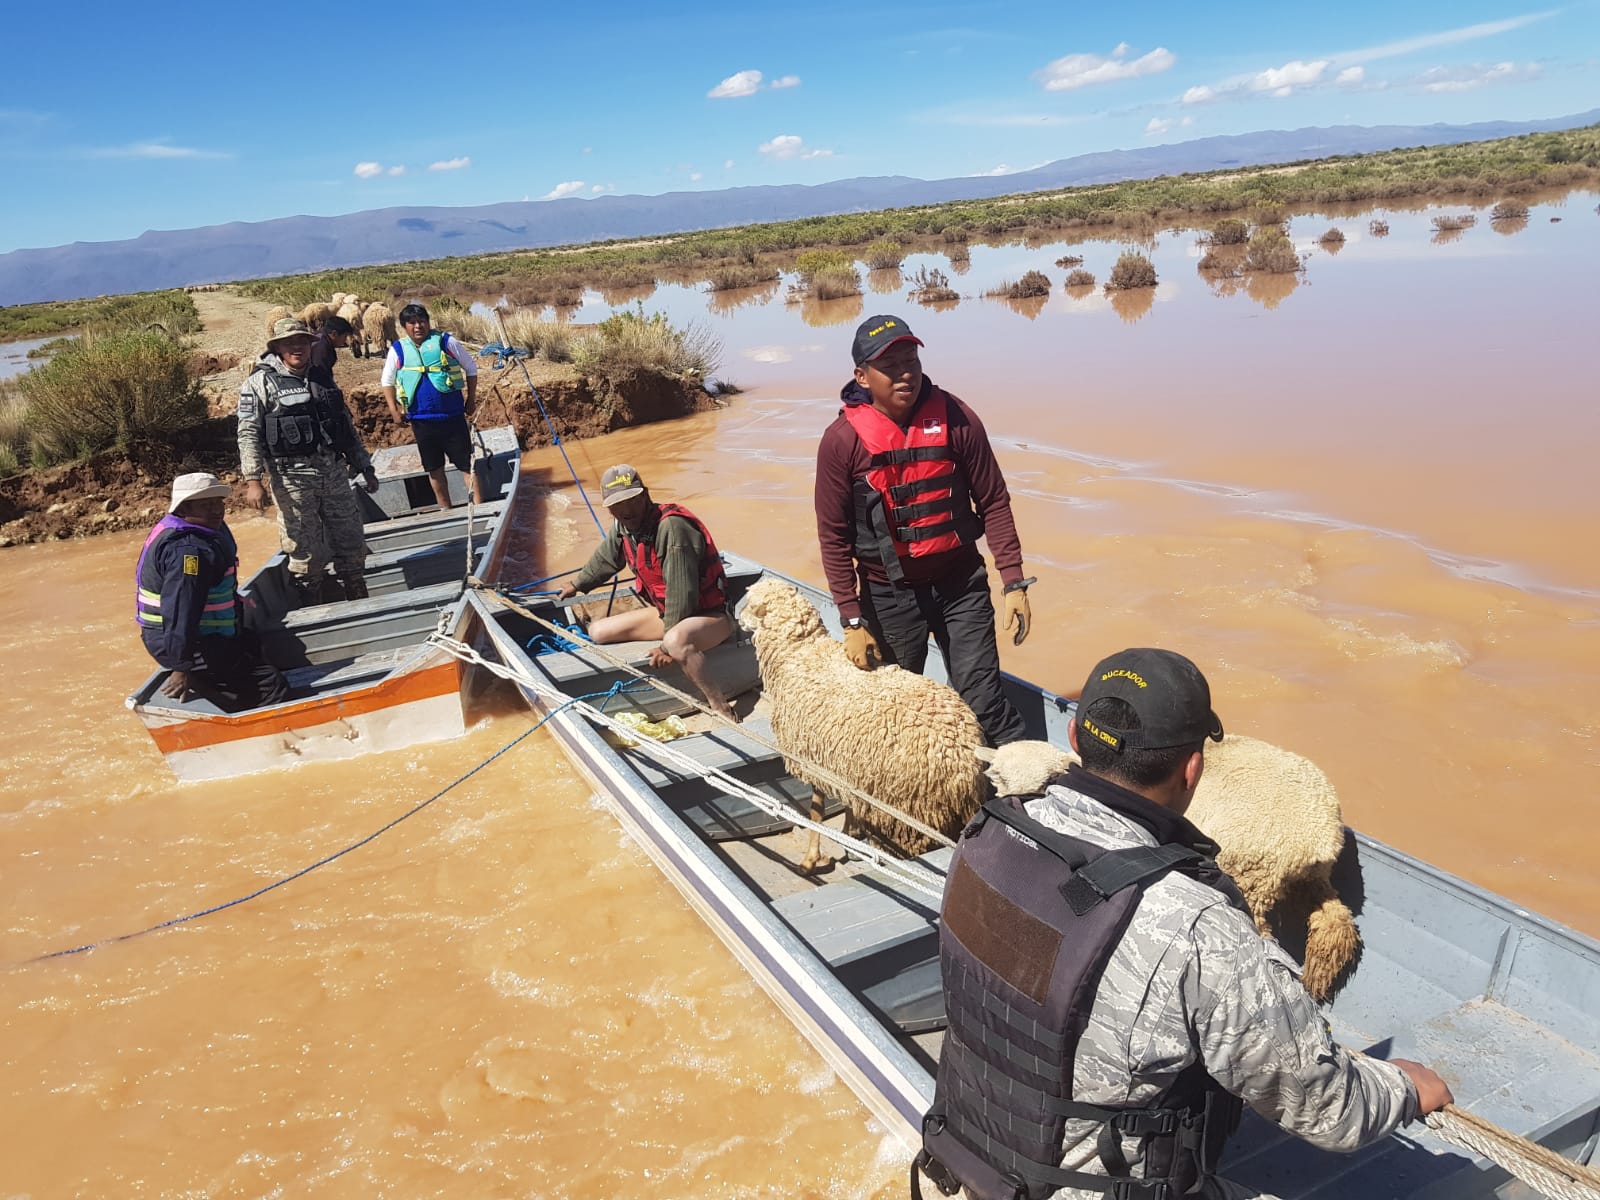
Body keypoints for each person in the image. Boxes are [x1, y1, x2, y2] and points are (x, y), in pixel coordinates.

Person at [917, 647, 1454, 1200]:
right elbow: (1328, 1110)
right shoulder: (1200, 927)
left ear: (1074, 736)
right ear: (1193, 768)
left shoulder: (990, 831)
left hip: (969, 1148)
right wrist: (1405, 1088)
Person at [815, 314, 1031, 748]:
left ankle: (1026, 776)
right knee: (895, 711)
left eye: (911, 361)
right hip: (889, 595)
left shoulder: (957, 418)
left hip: (960, 585)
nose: (905, 374)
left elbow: (993, 500)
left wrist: (1013, 581)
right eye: (890, 366)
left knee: (984, 701)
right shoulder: (841, 442)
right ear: (862, 376)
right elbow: (833, 537)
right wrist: (851, 619)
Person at [556, 465, 738, 721]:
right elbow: (605, 560)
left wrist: (665, 648)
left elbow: (682, 594)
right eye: (617, 505)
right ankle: (673, 644)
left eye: (631, 501)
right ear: (609, 508)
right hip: (669, 615)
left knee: (675, 641)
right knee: (598, 631)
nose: (626, 510)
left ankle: (721, 708)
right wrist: (577, 584)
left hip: (710, 617)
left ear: (645, 496)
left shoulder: (672, 528)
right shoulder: (623, 527)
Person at [238, 317, 380, 606]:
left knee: (351, 543)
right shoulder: (259, 383)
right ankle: (312, 604)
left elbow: (345, 426)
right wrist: (253, 480)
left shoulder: (321, 377)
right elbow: (248, 432)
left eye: (302, 341)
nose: (297, 347)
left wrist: (365, 466)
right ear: (277, 348)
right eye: (289, 343)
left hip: (335, 474)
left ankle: (358, 599)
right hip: (292, 479)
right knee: (304, 550)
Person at [136, 473, 289, 712]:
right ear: (183, 508)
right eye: (206, 505)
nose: (217, 510)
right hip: (183, 643)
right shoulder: (188, 553)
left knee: (252, 642)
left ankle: (222, 689)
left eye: (218, 503)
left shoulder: (196, 528)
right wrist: (182, 666)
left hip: (200, 636)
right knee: (272, 685)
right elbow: (181, 610)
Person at [380, 302, 481, 508]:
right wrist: (393, 409)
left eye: (422, 321)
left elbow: (471, 368)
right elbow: (387, 381)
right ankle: (446, 510)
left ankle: (480, 509)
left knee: (467, 466)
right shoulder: (398, 350)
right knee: (434, 469)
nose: (418, 326)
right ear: (404, 326)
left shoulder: (446, 341)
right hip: (421, 421)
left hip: (452, 417)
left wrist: (471, 399)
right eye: (412, 322)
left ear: (428, 322)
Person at [307, 312, 354, 389]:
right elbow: (319, 376)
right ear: (334, 334)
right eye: (344, 336)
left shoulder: (321, 337)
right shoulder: (321, 348)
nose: (345, 340)